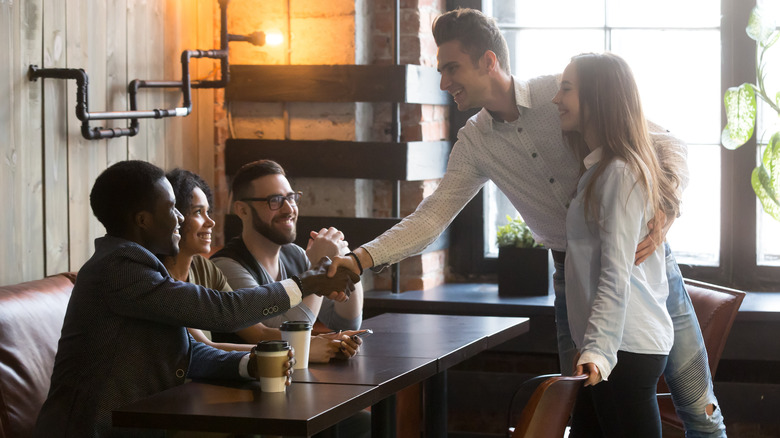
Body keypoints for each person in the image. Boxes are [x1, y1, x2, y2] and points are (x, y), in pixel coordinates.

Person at [327, 8, 725, 437]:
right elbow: (432, 217)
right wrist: (360, 259)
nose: (444, 82)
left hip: (645, 266)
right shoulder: (475, 142)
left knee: (699, 410)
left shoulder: (564, 93)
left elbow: (664, 143)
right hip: (573, 282)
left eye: (451, 68)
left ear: (489, 62)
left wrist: (666, 210)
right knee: (583, 409)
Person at [33, 160, 358, 438]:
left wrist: (249, 364)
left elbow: (185, 352)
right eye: (171, 208)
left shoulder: (141, 266)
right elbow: (224, 313)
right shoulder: (119, 269)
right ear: (143, 220)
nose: (179, 218)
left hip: (142, 424)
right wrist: (306, 283)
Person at [554, 52, 677, 436]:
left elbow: (615, 273)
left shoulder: (620, 174)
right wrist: (592, 347)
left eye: (567, 89)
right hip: (611, 348)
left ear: (598, 97)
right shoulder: (600, 171)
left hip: (625, 350)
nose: (557, 99)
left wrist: (597, 350)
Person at [161, 168, 362, 361]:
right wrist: (299, 350)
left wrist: (344, 257)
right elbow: (201, 350)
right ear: (174, 217)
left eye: (291, 198)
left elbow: (260, 332)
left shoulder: (206, 269)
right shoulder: (215, 267)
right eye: (198, 212)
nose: (211, 222)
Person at [211, 160, 365, 346]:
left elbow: (344, 322)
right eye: (274, 201)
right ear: (242, 210)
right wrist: (320, 268)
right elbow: (288, 332)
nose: (289, 209)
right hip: (246, 374)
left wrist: (345, 258)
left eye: (291, 198)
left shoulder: (296, 255)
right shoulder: (225, 267)